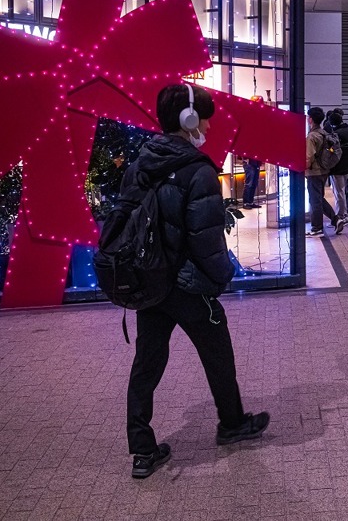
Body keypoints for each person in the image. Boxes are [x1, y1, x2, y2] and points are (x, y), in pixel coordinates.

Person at [125, 83, 269, 479]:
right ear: (189, 119)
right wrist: (222, 277)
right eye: (204, 115)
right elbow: (205, 239)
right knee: (217, 351)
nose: (207, 122)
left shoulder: (140, 164)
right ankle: (233, 422)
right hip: (187, 285)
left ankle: (142, 450)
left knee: (147, 362)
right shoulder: (198, 169)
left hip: (149, 282)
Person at [305, 106, 345, 236]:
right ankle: (336, 219)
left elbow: (309, 156)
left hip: (314, 172)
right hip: (324, 170)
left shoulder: (312, 136)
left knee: (315, 200)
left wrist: (304, 168)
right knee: (319, 198)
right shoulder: (323, 133)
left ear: (310, 119)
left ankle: (317, 228)